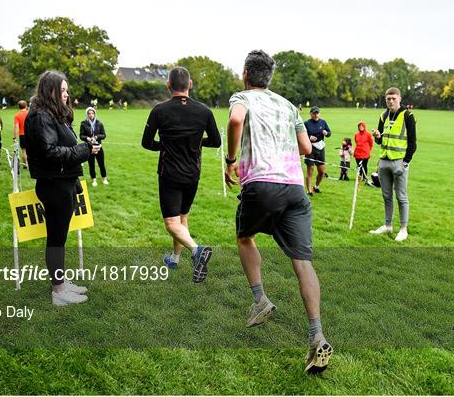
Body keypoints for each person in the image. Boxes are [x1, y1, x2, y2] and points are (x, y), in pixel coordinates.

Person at [224, 50, 332, 374]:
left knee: (245, 237)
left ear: (245, 73)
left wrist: (231, 160)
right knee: (303, 261)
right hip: (295, 189)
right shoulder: (288, 105)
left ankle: (260, 300)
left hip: (261, 183)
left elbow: (235, 120)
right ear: (269, 78)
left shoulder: (241, 96)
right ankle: (317, 336)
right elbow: (306, 148)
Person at [25, 70, 100, 306]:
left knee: (60, 237)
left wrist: (75, 175)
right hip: (53, 186)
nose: (67, 94)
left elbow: (62, 147)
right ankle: (58, 291)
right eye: (63, 90)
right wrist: (84, 151)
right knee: (56, 239)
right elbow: (50, 153)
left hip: (63, 183)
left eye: (67, 90)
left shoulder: (54, 115)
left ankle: (62, 283)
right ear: (50, 91)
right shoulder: (41, 117)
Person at [142, 66, 221, 282]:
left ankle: (197, 251)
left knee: (171, 223)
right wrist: (195, 142)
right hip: (193, 174)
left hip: (170, 174)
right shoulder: (204, 111)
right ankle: (174, 259)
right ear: (190, 85)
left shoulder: (159, 110)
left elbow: (146, 143)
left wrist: (166, 145)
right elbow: (216, 141)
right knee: (182, 218)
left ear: (168, 85)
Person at [370, 87, 417, 242]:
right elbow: (380, 140)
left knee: (401, 196)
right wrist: (377, 136)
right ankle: (388, 225)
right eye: (388, 98)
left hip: (399, 162)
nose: (390, 101)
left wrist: (405, 163)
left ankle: (403, 229)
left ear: (399, 98)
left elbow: (413, 143)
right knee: (386, 196)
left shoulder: (408, 115)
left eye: (393, 98)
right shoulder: (383, 115)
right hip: (384, 161)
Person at [304, 106, 331, 195]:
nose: (316, 115)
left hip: (320, 147)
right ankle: (309, 190)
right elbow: (302, 135)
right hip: (310, 147)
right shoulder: (307, 123)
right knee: (310, 169)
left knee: (322, 171)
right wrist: (309, 137)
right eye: (314, 113)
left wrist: (326, 133)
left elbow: (329, 133)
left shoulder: (323, 122)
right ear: (310, 114)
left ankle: (316, 186)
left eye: (317, 113)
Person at [80, 106, 108, 186]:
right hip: (89, 147)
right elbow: (81, 135)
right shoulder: (83, 123)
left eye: (92, 113)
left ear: (95, 114)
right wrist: (88, 138)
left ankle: (104, 179)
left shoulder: (99, 123)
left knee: (101, 164)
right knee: (91, 164)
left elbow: (104, 135)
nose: (91, 115)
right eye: (89, 113)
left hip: (98, 146)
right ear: (87, 114)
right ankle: (94, 180)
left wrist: (96, 137)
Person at [13, 100, 29, 168]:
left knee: (24, 151)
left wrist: (15, 137)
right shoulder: (29, 113)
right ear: (26, 106)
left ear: (18, 107)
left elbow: (16, 127)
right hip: (30, 134)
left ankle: (25, 165)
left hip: (22, 135)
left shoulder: (17, 115)